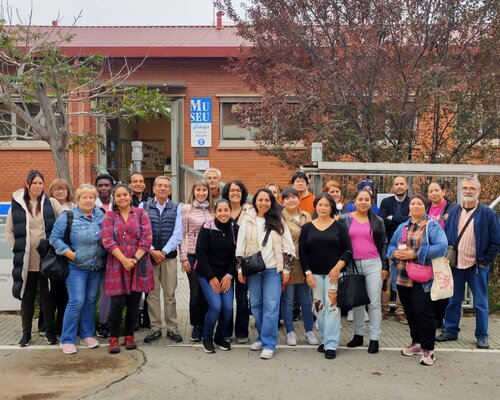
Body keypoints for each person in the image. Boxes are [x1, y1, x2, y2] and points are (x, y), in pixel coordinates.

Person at [437, 177, 499, 349]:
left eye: (472, 188)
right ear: (461, 190)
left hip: (476, 266)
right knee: (453, 300)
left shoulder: (487, 214)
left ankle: (482, 335)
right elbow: (446, 235)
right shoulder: (454, 211)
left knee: (480, 303)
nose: (468, 191)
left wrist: (485, 261)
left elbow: (496, 241)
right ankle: (450, 330)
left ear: (479, 191)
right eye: (465, 188)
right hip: (456, 265)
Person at [387, 194, 448, 366]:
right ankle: (416, 343)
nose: (415, 206)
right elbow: (390, 245)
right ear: (409, 207)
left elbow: (442, 247)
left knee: (423, 312)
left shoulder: (432, 226)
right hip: (403, 275)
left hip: (423, 277)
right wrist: (395, 253)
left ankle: (428, 349)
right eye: (412, 203)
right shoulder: (402, 227)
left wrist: (414, 254)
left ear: (425, 207)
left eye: (419, 204)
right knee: (410, 312)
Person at [5, 170, 63, 346]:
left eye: (40, 183)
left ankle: (49, 332)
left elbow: (65, 219)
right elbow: (9, 230)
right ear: (28, 184)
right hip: (26, 261)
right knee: (27, 297)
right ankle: (26, 334)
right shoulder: (17, 205)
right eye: (35, 183)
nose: (38, 186)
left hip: (46, 260)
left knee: (48, 297)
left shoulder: (50, 203)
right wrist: (16, 248)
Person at [236, 188, 295, 360]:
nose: (263, 203)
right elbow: (240, 246)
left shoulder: (279, 220)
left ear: (272, 202)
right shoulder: (247, 219)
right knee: (255, 305)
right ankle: (262, 337)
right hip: (253, 270)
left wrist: (286, 269)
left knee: (271, 307)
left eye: (267, 200)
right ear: (255, 201)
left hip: (272, 270)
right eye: (260, 200)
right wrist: (240, 269)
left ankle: (269, 343)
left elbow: (289, 247)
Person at [49, 184, 106, 355]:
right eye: (84, 197)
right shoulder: (68, 216)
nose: (88, 200)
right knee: (76, 301)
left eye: (91, 197)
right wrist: (69, 253)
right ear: (77, 200)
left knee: (90, 301)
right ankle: (67, 339)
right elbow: (54, 238)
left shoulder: (101, 216)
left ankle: (87, 335)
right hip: (76, 268)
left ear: (95, 199)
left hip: (96, 267)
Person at [101, 184, 154, 354]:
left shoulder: (140, 213)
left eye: (125, 194)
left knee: (134, 303)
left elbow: (147, 238)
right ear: (114, 199)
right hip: (117, 262)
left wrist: (134, 259)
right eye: (118, 195)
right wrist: (124, 260)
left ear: (130, 196)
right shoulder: (109, 216)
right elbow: (107, 240)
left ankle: (129, 335)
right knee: (116, 303)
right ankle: (113, 337)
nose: (122, 198)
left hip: (138, 262)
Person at [299, 193, 353, 360]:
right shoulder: (307, 228)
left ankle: (331, 344)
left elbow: (348, 251)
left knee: (332, 309)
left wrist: (337, 268)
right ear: (315, 206)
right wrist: (307, 273)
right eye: (320, 204)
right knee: (319, 309)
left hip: (333, 275)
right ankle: (324, 339)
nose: (323, 208)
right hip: (314, 275)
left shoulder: (340, 227)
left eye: (326, 205)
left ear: (331, 207)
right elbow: (303, 253)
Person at [339, 189, 388, 354]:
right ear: (355, 201)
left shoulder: (378, 221)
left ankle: (374, 338)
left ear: (371, 202)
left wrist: (385, 266)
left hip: (374, 264)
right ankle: (358, 335)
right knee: (357, 302)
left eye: (367, 199)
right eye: (360, 199)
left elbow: (384, 243)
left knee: (374, 303)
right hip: (353, 265)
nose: (363, 202)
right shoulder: (345, 218)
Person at [142, 176, 184, 343]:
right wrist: (152, 250)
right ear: (153, 189)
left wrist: (164, 252)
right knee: (152, 295)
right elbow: (141, 231)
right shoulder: (144, 207)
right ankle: (155, 327)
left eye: (166, 186)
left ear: (170, 190)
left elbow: (178, 233)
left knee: (170, 294)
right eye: (159, 185)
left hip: (169, 258)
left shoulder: (177, 208)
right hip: (149, 257)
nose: (162, 188)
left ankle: (172, 328)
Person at [196, 199, 238, 353]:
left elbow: (236, 255)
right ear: (215, 212)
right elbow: (200, 253)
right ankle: (207, 337)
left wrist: (229, 275)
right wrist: (211, 277)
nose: (223, 213)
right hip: (207, 274)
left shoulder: (235, 228)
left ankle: (219, 337)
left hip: (226, 275)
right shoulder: (207, 227)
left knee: (228, 308)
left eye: (226, 210)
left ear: (230, 211)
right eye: (219, 210)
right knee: (216, 306)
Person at [280, 187, 318, 346]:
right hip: (288, 264)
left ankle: (309, 331)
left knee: (306, 300)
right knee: (288, 300)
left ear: (298, 199)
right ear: (282, 201)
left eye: (293, 197)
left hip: (305, 264)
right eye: (287, 198)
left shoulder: (306, 216)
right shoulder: (279, 218)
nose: (291, 200)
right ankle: (290, 332)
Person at [179, 179, 214, 342]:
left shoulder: (213, 209)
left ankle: (206, 324)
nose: (201, 193)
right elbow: (182, 235)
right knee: (195, 293)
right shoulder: (186, 209)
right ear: (193, 192)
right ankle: (196, 325)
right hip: (192, 255)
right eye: (198, 190)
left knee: (207, 293)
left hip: (210, 257)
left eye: (204, 190)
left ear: (208, 192)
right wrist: (183, 258)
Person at [221, 180, 252, 343]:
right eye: (232, 190)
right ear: (227, 192)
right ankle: (225, 331)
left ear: (242, 193)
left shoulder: (250, 211)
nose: (235, 193)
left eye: (238, 190)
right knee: (226, 299)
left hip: (243, 261)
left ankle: (242, 332)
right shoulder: (222, 209)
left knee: (242, 298)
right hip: (224, 262)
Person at [379, 176, 410, 324]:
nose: (399, 186)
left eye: (401, 184)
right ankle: (383, 310)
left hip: (406, 246)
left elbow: (410, 221)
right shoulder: (386, 202)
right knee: (386, 279)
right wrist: (402, 219)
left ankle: (400, 311)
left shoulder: (411, 202)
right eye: (396, 184)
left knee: (402, 279)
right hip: (388, 245)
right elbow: (383, 222)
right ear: (393, 187)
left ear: (406, 186)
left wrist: (394, 218)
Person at [426, 181, 455, 328]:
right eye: (430, 191)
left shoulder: (452, 208)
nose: (433, 193)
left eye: (436, 190)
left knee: (443, 283)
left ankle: (442, 318)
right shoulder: (426, 207)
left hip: (444, 253)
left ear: (443, 191)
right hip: (428, 252)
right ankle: (432, 317)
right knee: (430, 285)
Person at [46, 178, 73, 336]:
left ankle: (62, 326)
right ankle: (47, 327)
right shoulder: (49, 204)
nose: (61, 191)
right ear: (52, 191)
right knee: (53, 293)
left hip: (70, 255)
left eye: (64, 188)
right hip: (54, 254)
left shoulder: (73, 206)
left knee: (65, 294)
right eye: (57, 189)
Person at [129, 172, 152, 329]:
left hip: (146, 249)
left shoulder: (150, 201)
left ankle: (147, 320)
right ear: (130, 184)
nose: (138, 183)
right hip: (130, 251)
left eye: (141, 181)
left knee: (147, 288)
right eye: (135, 181)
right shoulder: (125, 200)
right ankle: (134, 319)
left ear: (144, 184)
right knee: (133, 288)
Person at [94, 173, 115, 338]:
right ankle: (102, 322)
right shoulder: (92, 205)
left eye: (106, 185)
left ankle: (115, 321)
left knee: (117, 291)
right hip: (98, 255)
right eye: (100, 186)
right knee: (103, 292)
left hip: (118, 255)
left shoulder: (119, 202)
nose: (103, 188)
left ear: (112, 187)